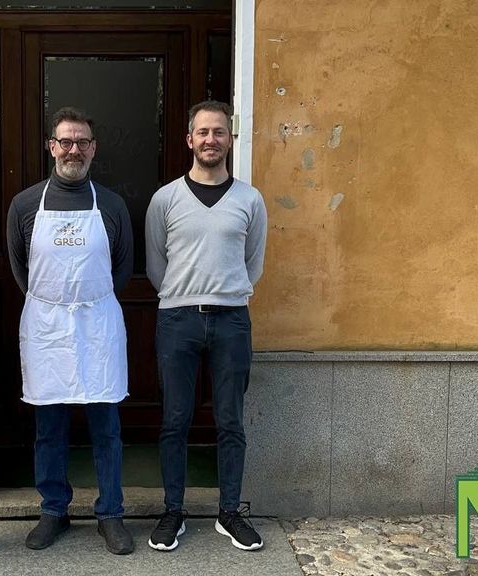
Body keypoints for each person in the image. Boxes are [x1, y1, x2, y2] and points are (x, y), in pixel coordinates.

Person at [6, 107, 135, 555]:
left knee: (107, 427)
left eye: (82, 142)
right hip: (47, 328)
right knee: (49, 428)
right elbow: (19, 268)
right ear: (52, 147)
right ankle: (53, 510)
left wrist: (86, 302)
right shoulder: (25, 205)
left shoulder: (112, 206)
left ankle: (111, 513)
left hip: (98, 325)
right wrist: (55, 304)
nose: (73, 150)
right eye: (65, 141)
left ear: (93, 149)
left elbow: (123, 268)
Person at [145, 100, 268, 552]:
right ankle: (173, 512)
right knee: (174, 420)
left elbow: (253, 263)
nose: (210, 140)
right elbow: (157, 265)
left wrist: (225, 292)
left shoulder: (250, 200)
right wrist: (186, 293)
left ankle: (229, 512)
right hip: (178, 318)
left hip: (232, 318)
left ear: (229, 140)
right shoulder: (165, 199)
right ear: (189, 140)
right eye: (203, 132)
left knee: (230, 421)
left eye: (219, 132)